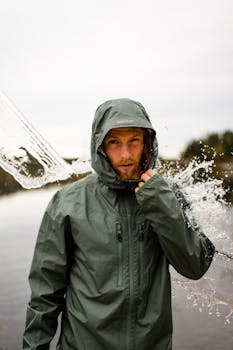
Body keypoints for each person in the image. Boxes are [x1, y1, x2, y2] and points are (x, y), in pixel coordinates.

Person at [23, 98, 215, 350]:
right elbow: (44, 295)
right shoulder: (68, 202)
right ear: (100, 146)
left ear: (147, 142)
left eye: (134, 141)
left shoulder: (168, 195)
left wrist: (160, 205)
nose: (125, 154)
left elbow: (195, 266)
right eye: (114, 142)